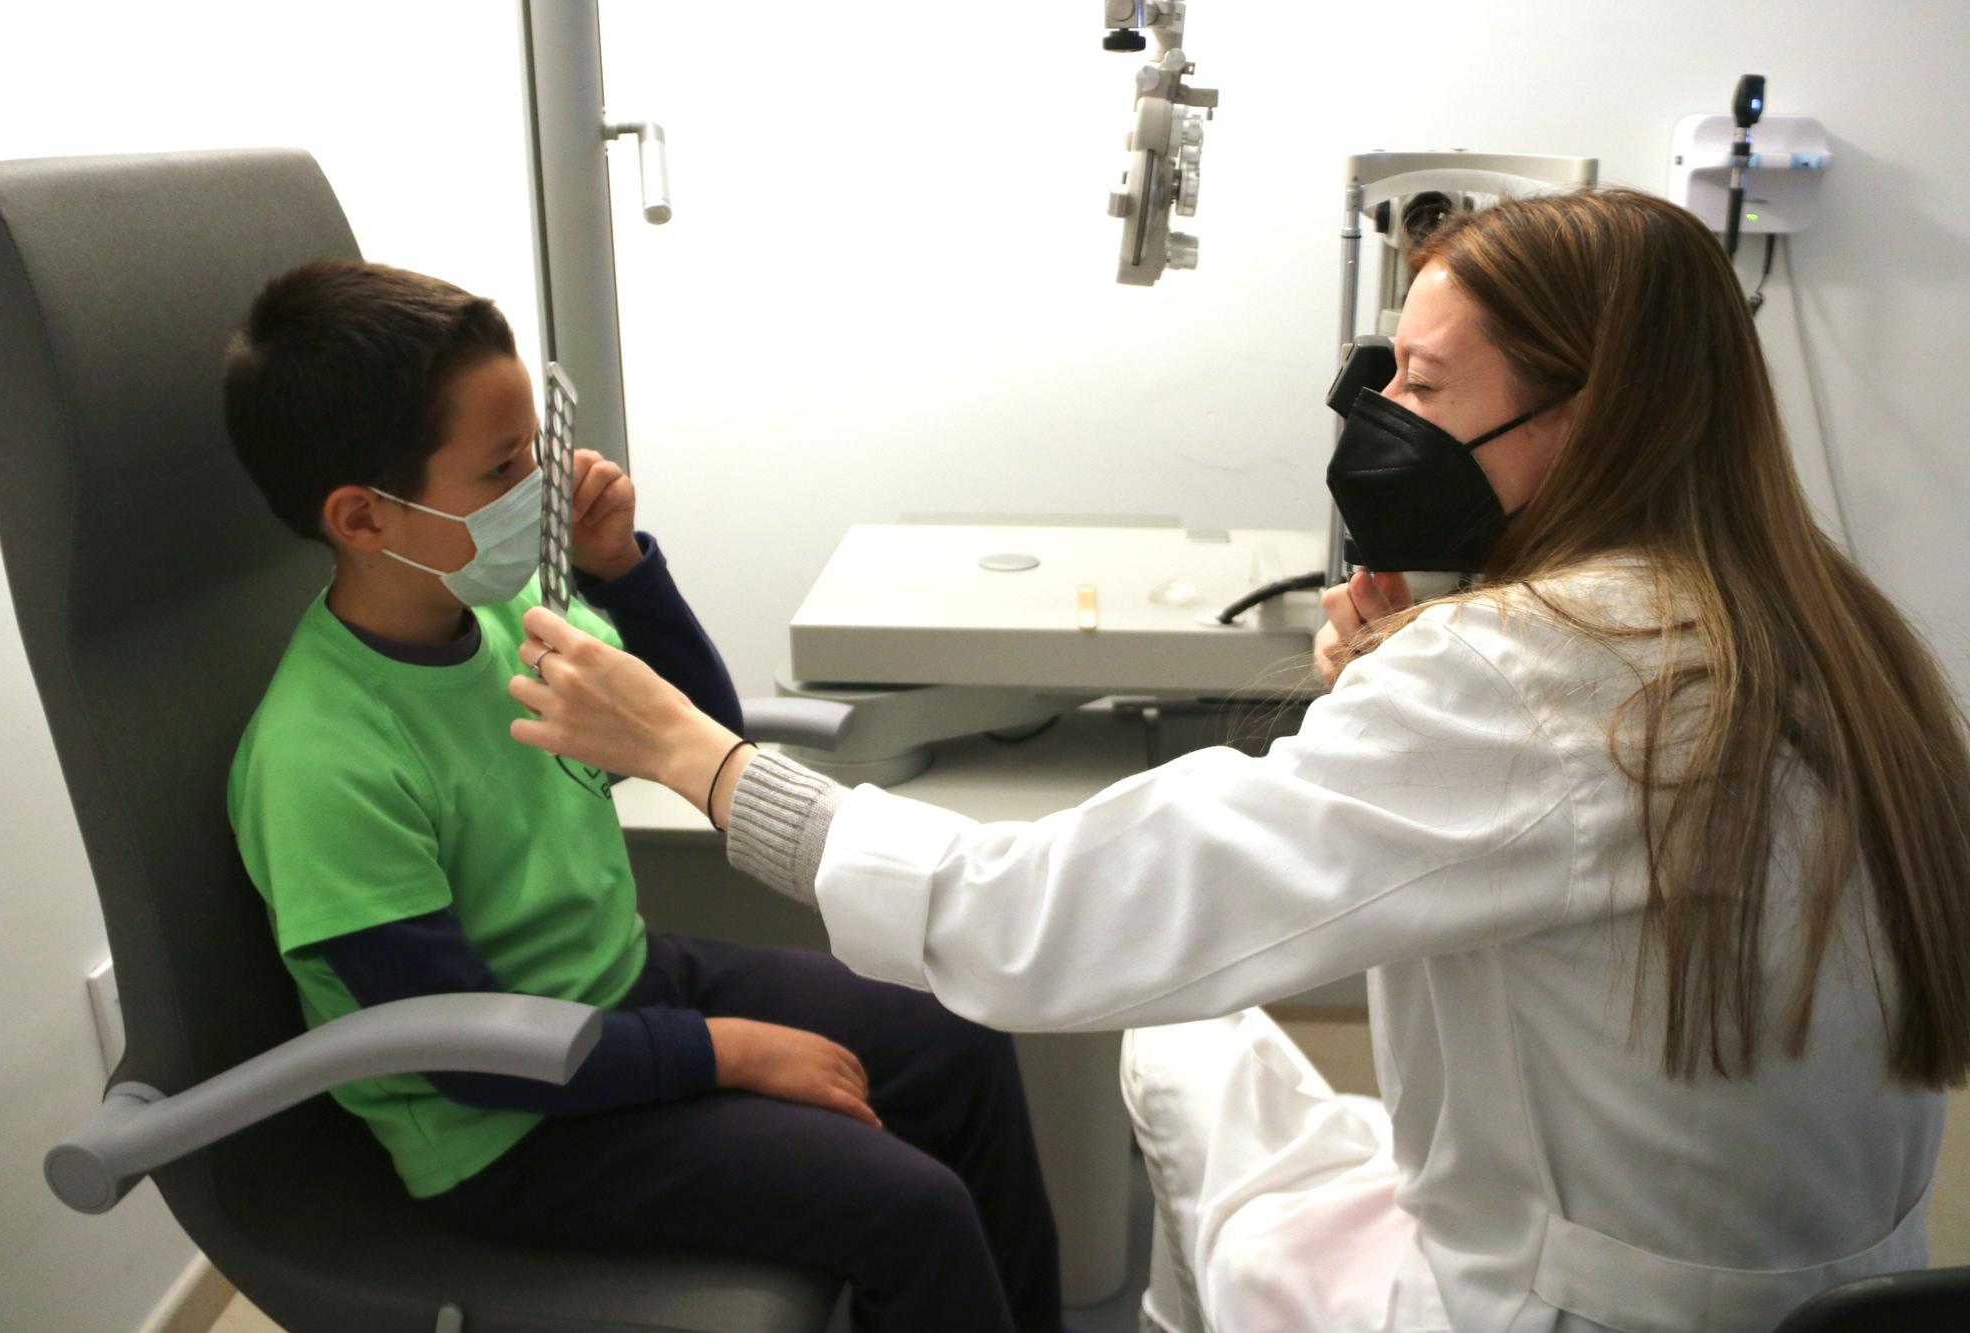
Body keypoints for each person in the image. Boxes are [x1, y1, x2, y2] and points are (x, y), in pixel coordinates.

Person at [502, 189, 1970, 1333]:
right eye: (1382, 370)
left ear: (1589, 418)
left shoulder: (1536, 676)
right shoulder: (1821, 622)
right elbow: (1541, 828)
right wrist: (1400, 687)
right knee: (1210, 1062)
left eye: (1429, 388)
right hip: (1798, 1273)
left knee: (1171, 1049)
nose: (1383, 416)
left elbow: (1033, 921)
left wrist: (699, 759)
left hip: (1561, 1300)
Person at [221, 260, 1062, 1333]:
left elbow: (702, 740)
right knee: (913, 1207)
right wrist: (735, 1051)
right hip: (512, 1127)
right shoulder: (321, 759)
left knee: (963, 1039)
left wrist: (623, 568)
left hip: (625, 984)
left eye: (534, 446)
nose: (543, 484)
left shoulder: (508, 613)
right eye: (502, 467)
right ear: (365, 518)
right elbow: (463, 1052)